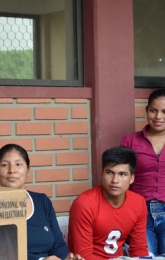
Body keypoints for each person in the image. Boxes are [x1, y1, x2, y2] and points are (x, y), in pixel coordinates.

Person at [0, 143, 84, 260]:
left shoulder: (42, 201)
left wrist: (67, 258)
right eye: (5, 165)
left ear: (28, 172)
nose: (12, 170)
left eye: (18, 164)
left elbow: (58, 244)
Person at [68, 146, 148, 259]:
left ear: (132, 178)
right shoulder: (84, 203)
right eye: (110, 172)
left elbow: (138, 249)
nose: (115, 180)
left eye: (122, 174)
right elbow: (83, 255)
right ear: (101, 174)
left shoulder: (138, 202)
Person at [121, 88, 165, 255]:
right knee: (144, 257)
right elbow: (122, 178)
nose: (158, 117)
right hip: (140, 213)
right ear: (146, 111)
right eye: (153, 110)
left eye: (164, 112)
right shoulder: (130, 141)